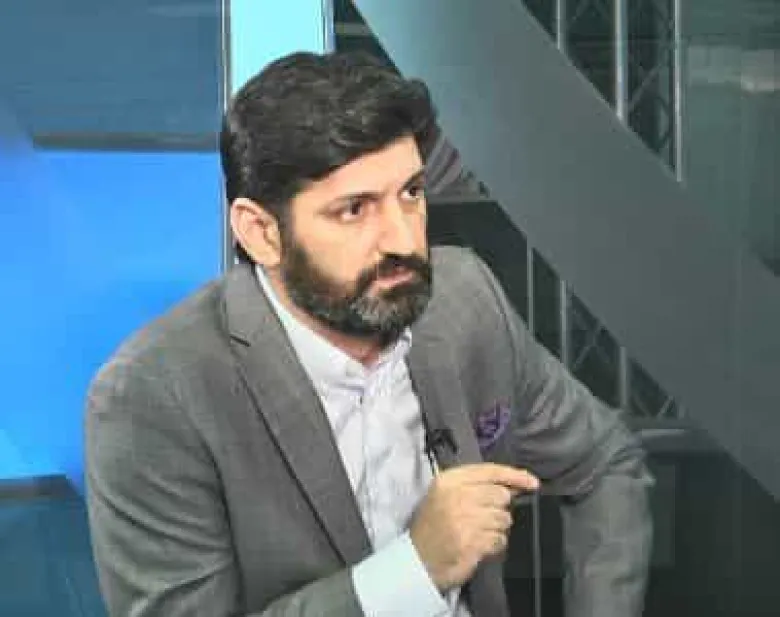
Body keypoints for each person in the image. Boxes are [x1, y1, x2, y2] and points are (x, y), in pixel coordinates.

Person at [85, 51, 653, 617]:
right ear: (261, 233)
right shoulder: (155, 396)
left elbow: (605, 463)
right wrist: (416, 569)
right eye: (355, 210)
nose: (403, 240)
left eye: (411, 193)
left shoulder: (463, 301)